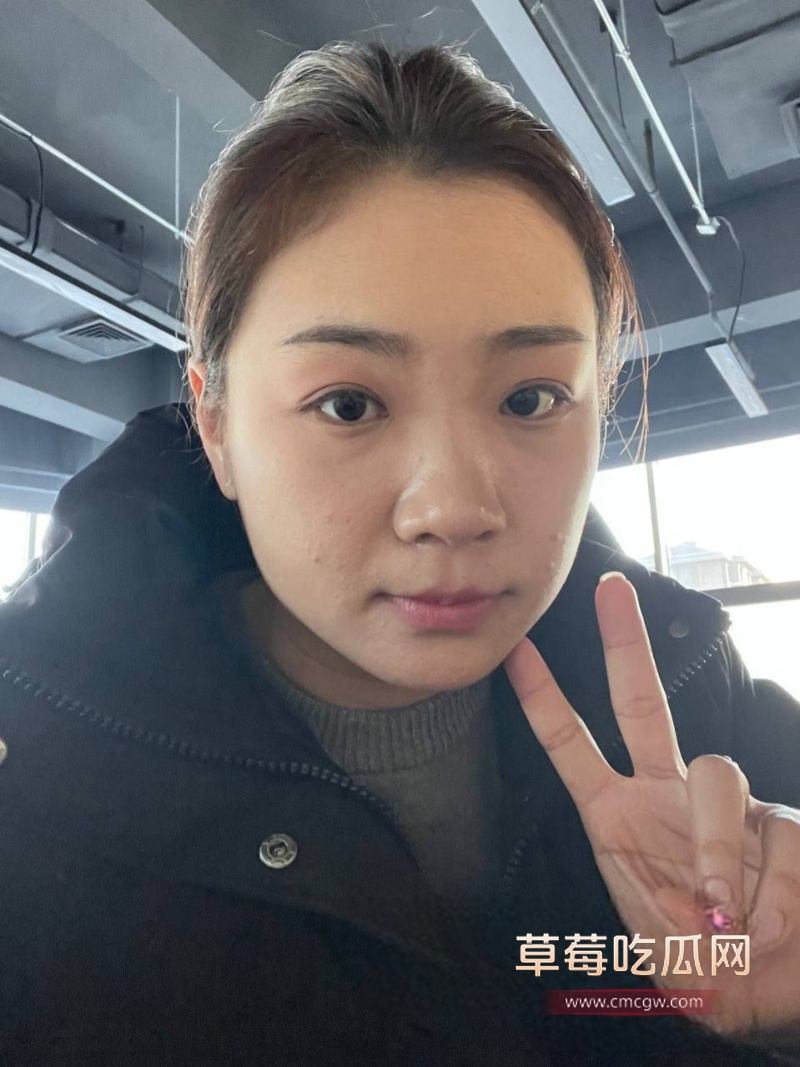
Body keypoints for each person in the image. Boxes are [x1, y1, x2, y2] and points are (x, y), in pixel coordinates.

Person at [0, 40, 798, 1067]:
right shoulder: (34, 786)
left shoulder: (701, 706)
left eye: (530, 398)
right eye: (348, 403)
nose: (453, 510)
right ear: (217, 426)